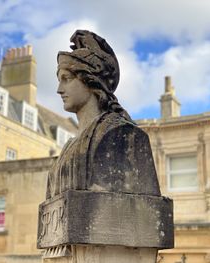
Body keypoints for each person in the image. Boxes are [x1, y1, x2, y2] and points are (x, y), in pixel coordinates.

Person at [46, 30, 160, 199]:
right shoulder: (68, 148)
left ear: (90, 80)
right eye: (59, 80)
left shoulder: (121, 134)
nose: (59, 89)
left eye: (67, 79)